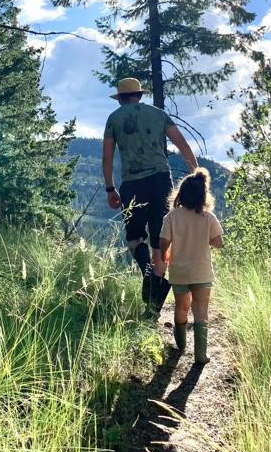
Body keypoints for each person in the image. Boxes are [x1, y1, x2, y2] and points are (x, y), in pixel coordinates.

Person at [102, 78, 198, 315]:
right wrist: (195, 174)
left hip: (132, 183)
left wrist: (110, 188)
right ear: (139, 95)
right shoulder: (158, 114)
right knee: (160, 240)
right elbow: (182, 144)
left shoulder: (114, 119)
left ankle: (147, 275)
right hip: (161, 181)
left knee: (135, 238)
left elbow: (106, 157)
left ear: (121, 98)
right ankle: (153, 308)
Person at [159, 168, 224, 364]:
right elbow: (218, 242)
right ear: (203, 196)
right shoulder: (208, 218)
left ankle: (181, 345)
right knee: (201, 311)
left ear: (180, 194)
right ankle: (201, 355)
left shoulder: (172, 217)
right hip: (202, 272)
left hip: (179, 271)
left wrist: (164, 254)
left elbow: (163, 240)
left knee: (181, 307)